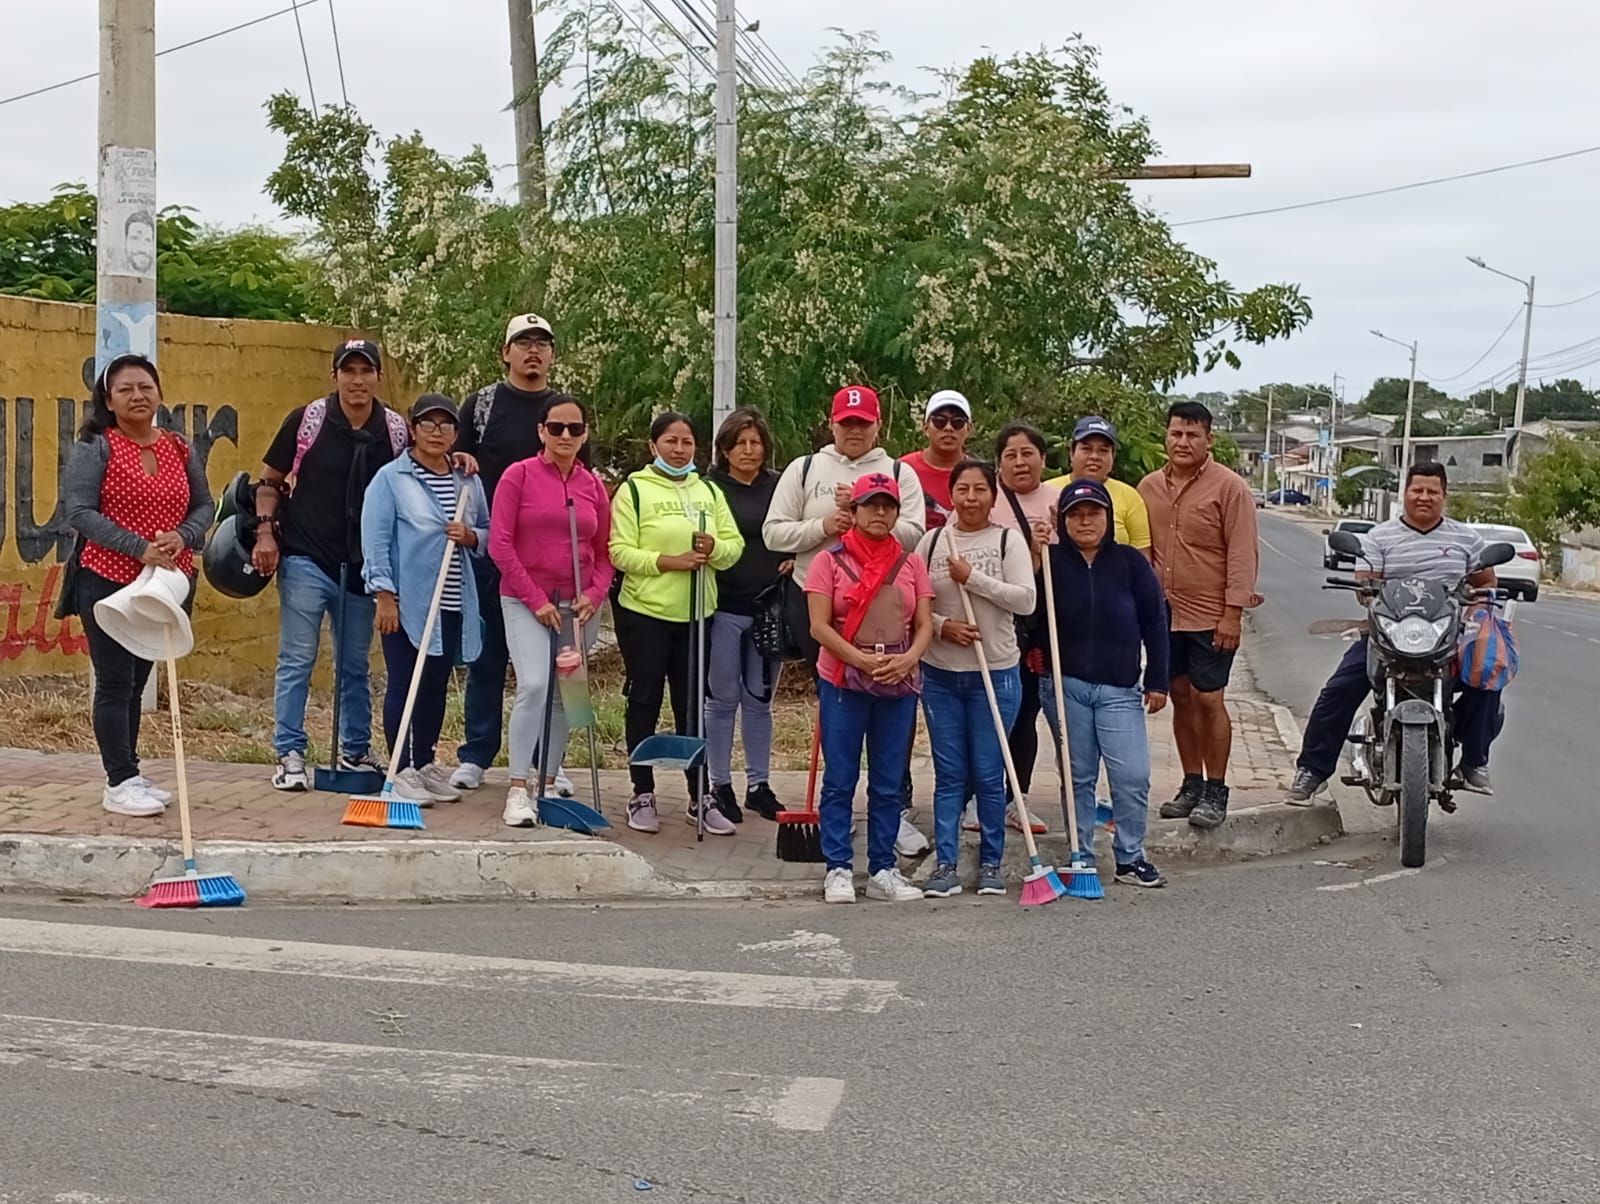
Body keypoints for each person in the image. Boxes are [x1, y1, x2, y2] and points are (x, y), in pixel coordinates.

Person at [762, 384, 929, 855]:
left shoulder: (898, 472)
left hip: (888, 603)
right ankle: (838, 811)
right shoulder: (805, 468)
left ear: (877, 426)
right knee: (839, 695)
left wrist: (864, 513)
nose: (854, 431)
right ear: (832, 425)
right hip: (818, 599)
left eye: (863, 423)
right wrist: (823, 526)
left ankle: (893, 812)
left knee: (890, 703)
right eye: (846, 423)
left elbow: (915, 534)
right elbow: (773, 533)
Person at [1287, 462, 1502, 802]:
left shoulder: (1466, 539)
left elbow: (1486, 584)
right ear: (1405, 493)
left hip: (1446, 634)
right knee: (1338, 689)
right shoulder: (1379, 537)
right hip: (1387, 633)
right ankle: (1312, 771)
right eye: (1417, 490)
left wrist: (1478, 607)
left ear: (1444, 495)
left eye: (1432, 491)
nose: (1424, 497)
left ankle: (1474, 762)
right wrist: (1369, 591)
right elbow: (1365, 585)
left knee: (1487, 679)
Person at [252, 338, 410, 791]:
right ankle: (289, 752)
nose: (357, 380)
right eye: (348, 371)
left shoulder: (395, 431)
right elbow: (269, 481)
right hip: (306, 556)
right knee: (297, 659)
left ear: (378, 377)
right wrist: (266, 533)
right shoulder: (307, 420)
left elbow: (420, 473)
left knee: (355, 665)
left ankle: (354, 750)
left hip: (362, 567)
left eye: (366, 371)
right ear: (335, 375)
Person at [61, 354, 212, 817]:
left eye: (145, 387)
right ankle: (119, 780)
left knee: (137, 682)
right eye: (125, 389)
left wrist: (182, 535)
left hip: (163, 584)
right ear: (108, 401)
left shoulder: (179, 447)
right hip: (107, 579)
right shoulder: (96, 446)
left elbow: (205, 506)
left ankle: (131, 772)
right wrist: (137, 547)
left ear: (159, 393)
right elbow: (79, 512)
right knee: (114, 681)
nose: (137, 396)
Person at [451, 313, 580, 794]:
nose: (533, 351)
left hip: (556, 565)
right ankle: (476, 755)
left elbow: (583, 486)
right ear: (506, 352)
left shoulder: (564, 410)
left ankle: (553, 761)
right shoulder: (482, 405)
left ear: (552, 355)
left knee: (564, 672)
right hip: (495, 552)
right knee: (488, 659)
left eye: (542, 343)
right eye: (523, 342)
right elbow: (455, 462)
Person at [610, 412, 744, 835]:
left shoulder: (709, 490)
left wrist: (714, 547)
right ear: (654, 446)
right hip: (646, 613)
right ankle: (642, 792)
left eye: (687, 442)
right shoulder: (634, 490)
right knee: (644, 701)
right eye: (671, 441)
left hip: (697, 613)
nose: (680, 449)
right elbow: (619, 552)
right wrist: (670, 561)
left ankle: (699, 795)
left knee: (691, 706)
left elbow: (734, 548)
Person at [806, 473, 935, 904]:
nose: (879, 512)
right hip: (843, 680)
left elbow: (924, 624)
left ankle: (883, 868)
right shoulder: (829, 561)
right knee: (840, 778)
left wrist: (908, 660)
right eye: (870, 505)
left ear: (897, 513)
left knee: (888, 781)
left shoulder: (911, 563)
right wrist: (858, 660)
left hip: (898, 681)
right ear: (854, 510)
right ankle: (838, 867)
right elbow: (819, 626)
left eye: (888, 506)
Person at [1037, 479, 1171, 888]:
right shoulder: (1048, 561)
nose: (1085, 521)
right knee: (1077, 776)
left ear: (1108, 518)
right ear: (1062, 521)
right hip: (1066, 687)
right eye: (1075, 514)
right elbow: (1030, 613)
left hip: (1119, 690)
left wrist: (1158, 679)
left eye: (1093, 513)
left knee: (1132, 776)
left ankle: (1130, 857)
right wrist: (1033, 550)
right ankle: (1081, 856)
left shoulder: (1131, 563)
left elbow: (1155, 621)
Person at [361, 396, 491, 806]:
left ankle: (425, 762)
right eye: (428, 424)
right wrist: (384, 595)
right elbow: (376, 540)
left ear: (455, 433)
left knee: (435, 685)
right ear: (413, 429)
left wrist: (470, 536)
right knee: (405, 682)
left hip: (452, 601)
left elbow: (487, 531)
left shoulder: (467, 480)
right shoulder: (391, 479)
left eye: (445, 425)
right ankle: (400, 770)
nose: (437, 432)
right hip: (407, 602)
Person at [490, 396, 613, 827]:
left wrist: (595, 594)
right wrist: (536, 600)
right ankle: (517, 788)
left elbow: (605, 551)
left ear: (585, 434)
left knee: (568, 694)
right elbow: (500, 545)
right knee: (535, 685)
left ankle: (546, 782)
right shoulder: (518, 476)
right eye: (556, 427)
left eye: (574, 429)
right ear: (541, 430)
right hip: (526, 601)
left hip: (577, 606)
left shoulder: (593, 486)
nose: (565, 436)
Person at [916, 460, 1037, 898]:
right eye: (962, 489)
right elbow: (912, 604)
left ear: (993, 495)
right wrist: (943, 626)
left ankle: (990, 864)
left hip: (996, 674)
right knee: (949, 774)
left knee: (988, 773)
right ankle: (945, 866)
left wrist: (974, 579)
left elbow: (1025, 600)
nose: (970, 498)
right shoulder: (932, 542)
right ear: (951, 495)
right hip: (941, 675)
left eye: (980, 489)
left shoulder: (1008, 541)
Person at [1138, 401, 1259, 830]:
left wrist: (1233, 614)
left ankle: (1216, 790)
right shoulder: (1148, 487)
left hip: (1211, 614)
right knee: (1180, 696)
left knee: (1209, 698)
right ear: (1166, 437)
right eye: (1176, 433)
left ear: (1209, 439)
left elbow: (1242, 553)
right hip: (1164, 614)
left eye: (1192, 435)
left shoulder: (1230, 488)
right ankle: (1191, 784)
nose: (1183, 442)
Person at [705, 407, 790, 824]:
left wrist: (794, 557)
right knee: (722, 700)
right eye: (740, 442)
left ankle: (759, 785)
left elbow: (796, 529)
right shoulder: (708, 488)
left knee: (759, 701)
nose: (749, 450)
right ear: (724, 448)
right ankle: (719, 784)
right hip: (723, 607)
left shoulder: (780, 486)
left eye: (756, 442)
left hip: (768, 610)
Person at [987, 422, 1061, 836]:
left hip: (1043, 627)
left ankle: (1019, 798)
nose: (1019, 462)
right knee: (993, 712)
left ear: (1043, 459)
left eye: (1027, 453)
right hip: (998, 622)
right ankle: (981, 796)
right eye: (1010, 455)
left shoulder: (1060, 500)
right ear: (998, 463)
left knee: (1026, 711)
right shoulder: (986, 499)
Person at [1046, 416, 1153, 559]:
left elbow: (1143, 556)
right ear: (1071, 453)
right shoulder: (1047, 491)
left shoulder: (1130, 496)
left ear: (1113, 455)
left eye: (1103, 451)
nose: (1094, 457)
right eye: (1086, 449)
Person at [900, 390, 974, 532]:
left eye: (957, 422)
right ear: (926, 427)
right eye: (939, 421)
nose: (948, 428)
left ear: (969, 429)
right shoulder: (902, 470)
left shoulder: (979, 474)